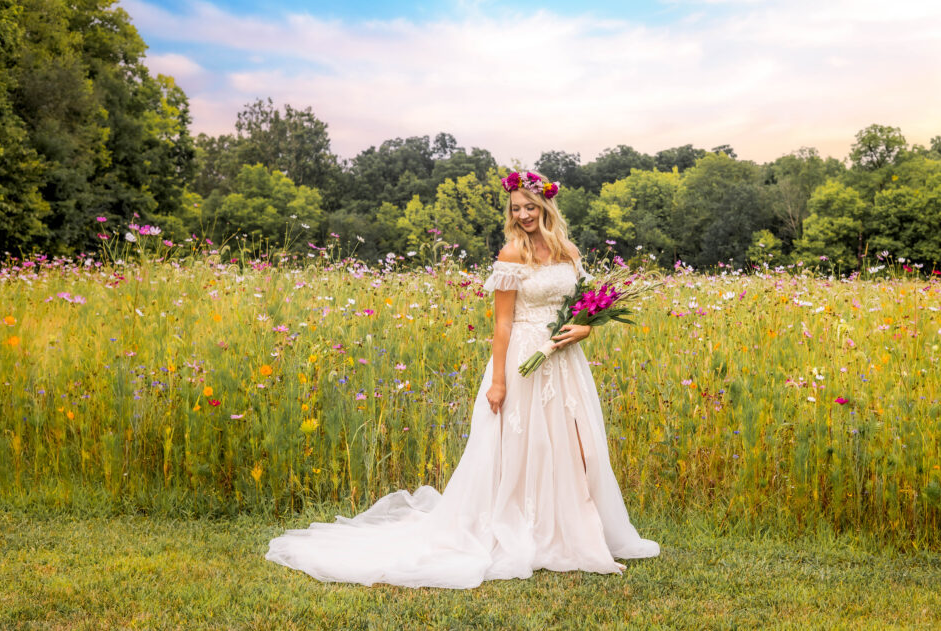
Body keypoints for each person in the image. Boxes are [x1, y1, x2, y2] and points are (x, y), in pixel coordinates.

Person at [264, 171, 659, 588]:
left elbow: (584, 307)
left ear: (546, 207)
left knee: (578, 449)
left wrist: (586, 329)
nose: (524, 215)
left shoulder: (569, 251)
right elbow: (502, 324)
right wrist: (499, 381)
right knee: (527, 446)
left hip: (565, 360)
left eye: (530, 207)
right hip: (523, 354)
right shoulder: (510, 255)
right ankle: (526, 532)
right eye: (516, 209)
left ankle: (572, 532)